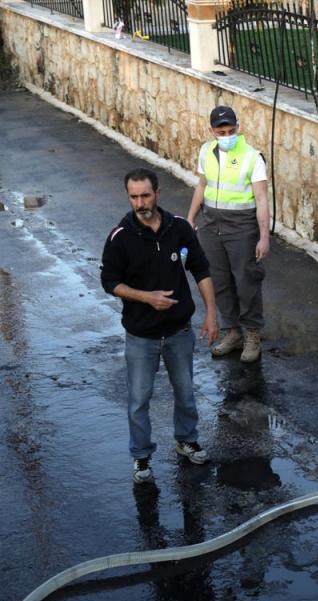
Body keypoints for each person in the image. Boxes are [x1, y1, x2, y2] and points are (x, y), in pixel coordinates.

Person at [101, 168, 219, 484]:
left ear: (158, 192)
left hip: (180, 331)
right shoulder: (119, 238)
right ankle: (141, 458)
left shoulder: (179, 228)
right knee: (139, 400)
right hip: (141, 336)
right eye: (134, 197)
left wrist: (211, 314)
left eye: (146, 195)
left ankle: (187, 440)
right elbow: (109, 282)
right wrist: (146, 297)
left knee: (186, 393)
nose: (140, 203)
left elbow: (201, 269)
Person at [186, 105, 270, 363]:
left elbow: (262, 198)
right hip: (212, 225)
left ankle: (252, 334)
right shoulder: (205, 151)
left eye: (231, 130)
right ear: (211, 130)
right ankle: (233, 332)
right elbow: (202, 185)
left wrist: (264, 236)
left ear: (238, 127)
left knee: (246, 281)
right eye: (221, 131)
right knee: (219, 280)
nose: (226, 135)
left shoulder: (252, 156)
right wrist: (190, 217)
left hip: (242, 227)